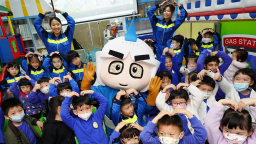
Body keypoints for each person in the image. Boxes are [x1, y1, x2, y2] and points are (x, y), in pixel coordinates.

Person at [140, 109, 207, 144]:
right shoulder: (157, 142)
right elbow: (144, 137)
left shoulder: (186, 141)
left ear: (181, 134)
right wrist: (157, 117)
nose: (166, 137)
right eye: (161, 133)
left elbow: (202, 135)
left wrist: (187, 113)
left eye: (171, 134)